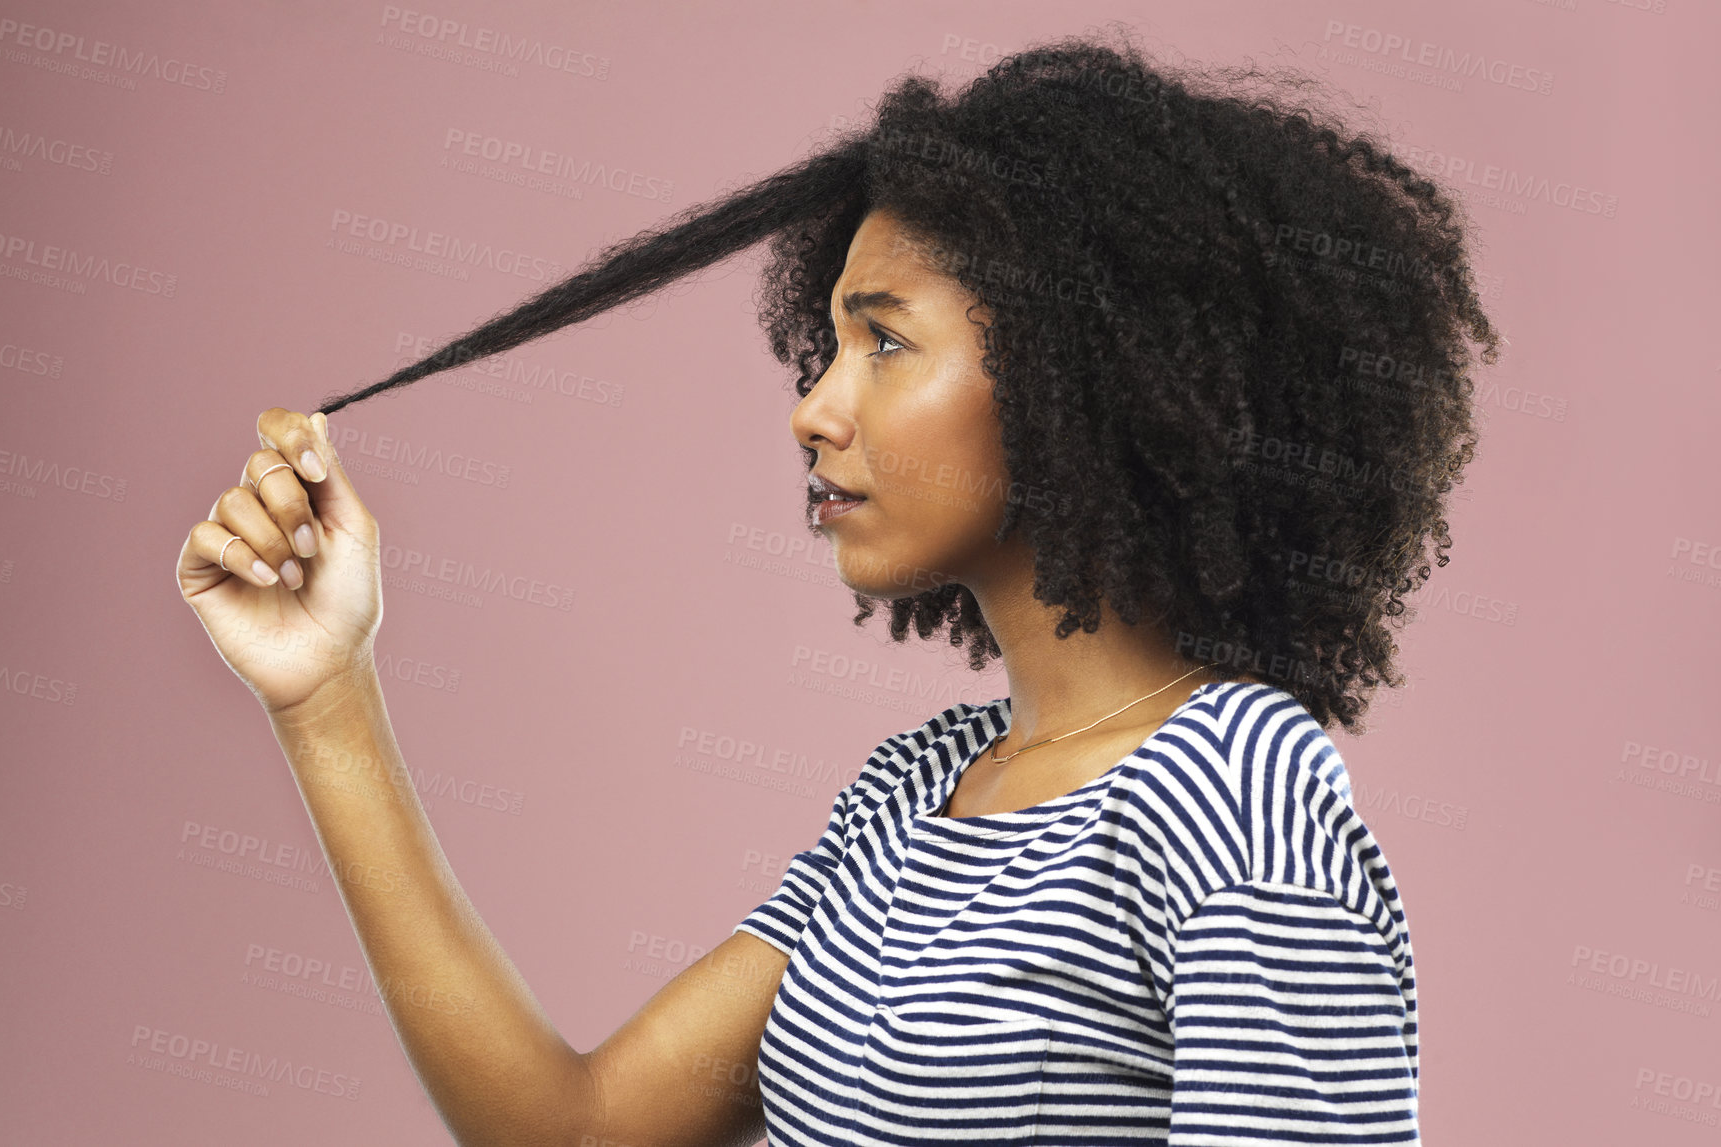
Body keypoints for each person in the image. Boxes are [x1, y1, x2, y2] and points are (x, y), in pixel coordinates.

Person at [175, 27, 1499, 1146]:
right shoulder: (912, 795)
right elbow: (576, 1129)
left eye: (884, 343)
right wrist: (324, 690)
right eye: (830, 345)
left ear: (1076, 380)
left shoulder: (1237, 800)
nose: (813, 408)